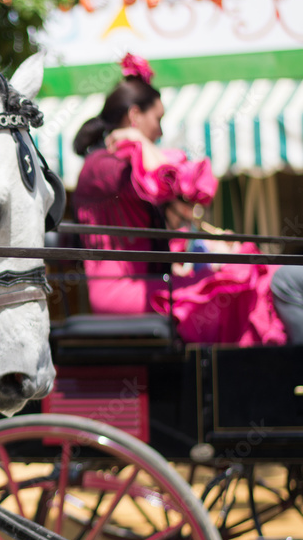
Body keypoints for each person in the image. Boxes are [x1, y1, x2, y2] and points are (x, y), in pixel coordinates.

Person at [72, 53, 297, 347]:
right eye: (158, 119)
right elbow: (172, 181)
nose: (162, 131)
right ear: (135, 117)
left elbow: (181, 200)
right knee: (238, 280)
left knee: (245, 269)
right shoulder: (101, 165)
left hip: (150, 282)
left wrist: (212, 248)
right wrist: (140, 142)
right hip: (120, 291)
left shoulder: (122, 161)